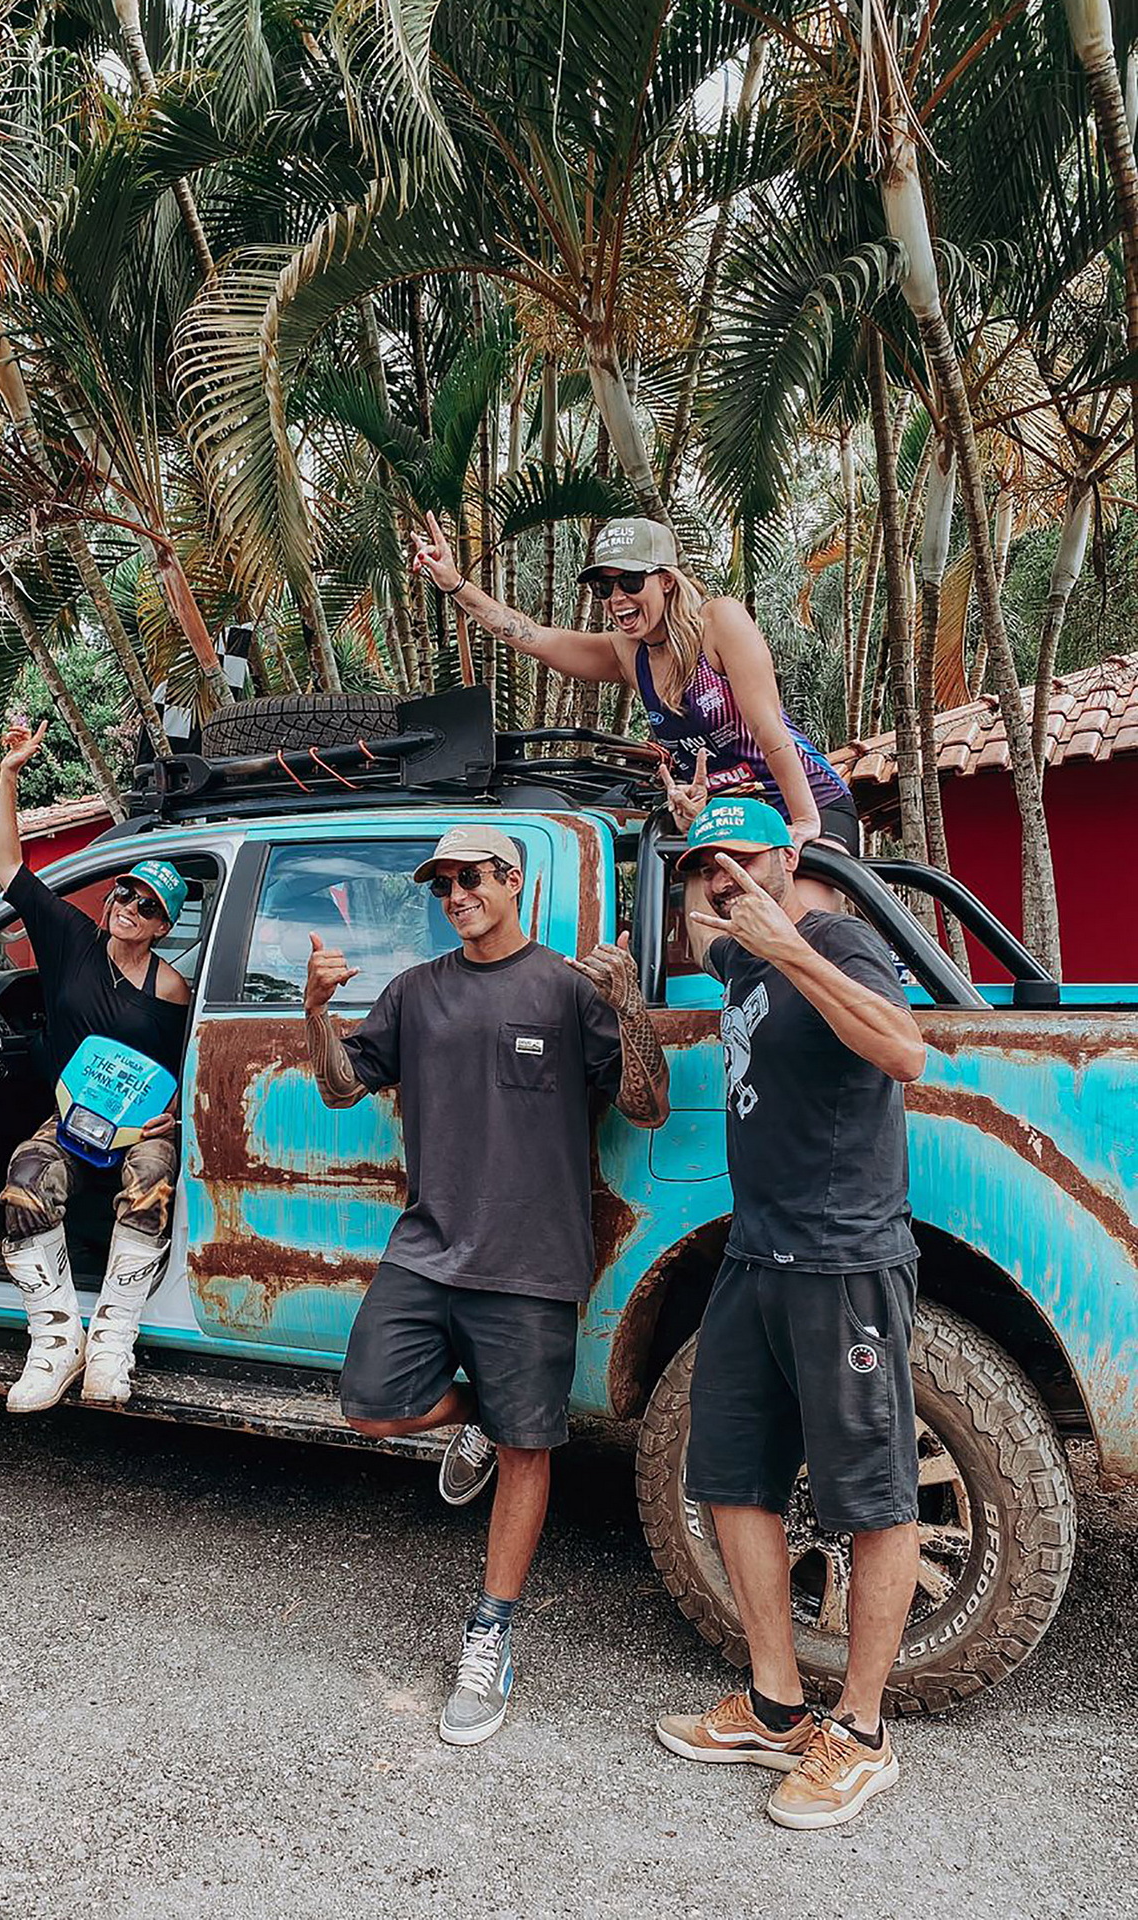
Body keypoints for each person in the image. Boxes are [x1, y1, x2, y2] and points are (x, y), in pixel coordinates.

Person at [303, 824, 670, 1746]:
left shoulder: (564, 989)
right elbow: (344, 1086)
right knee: (370, 1404)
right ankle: (491, 1411)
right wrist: (315, 1013)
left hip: (533, 1259)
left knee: (527, 1454)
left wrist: (628, 1006)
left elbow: (646, 1103)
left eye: (472, 879)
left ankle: (492, 1630)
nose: (457, 895)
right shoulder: (414, 992)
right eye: (443, 885)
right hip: (429, 1247)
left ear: (515, 882)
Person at [656, 796, 926, 1830]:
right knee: (729, 1475)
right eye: (703, 868)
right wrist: (715, 898)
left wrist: (792, 945)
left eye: (742, 858)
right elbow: (709, 926)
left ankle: (858, 1736)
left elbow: (904, 1052)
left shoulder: (834, 938)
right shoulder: (740, 959)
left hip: (842, 1260)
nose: (721, 880)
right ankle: (775, 1708)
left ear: (794, 855)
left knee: (872, 1499)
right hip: (756, 1254)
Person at [409, 512, 858, 852]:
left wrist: (803, 822)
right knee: (711, 946)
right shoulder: (629, 653)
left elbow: (767, 728)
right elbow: (531, 637)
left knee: (805, 928)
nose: (617, 598)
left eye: (629, 581)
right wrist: (453, 584)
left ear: (665, 581)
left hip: (806, 799)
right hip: (726, 818)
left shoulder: (719, 622)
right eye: (605, 588)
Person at [0, 722, 191, 1413]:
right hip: (73, 1121)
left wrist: (178, 1115)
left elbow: (188, 1063)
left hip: (142, 1127)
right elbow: (9, 868)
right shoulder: (72, 939)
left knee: (152, 1181)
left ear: (164, 926)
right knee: (25, 1177)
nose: (130, 908)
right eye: (127, 894)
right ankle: (55, 1342)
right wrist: (10, 774)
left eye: (149, 906)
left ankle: (111, 1343)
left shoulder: (171, 989)